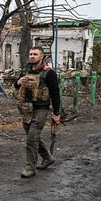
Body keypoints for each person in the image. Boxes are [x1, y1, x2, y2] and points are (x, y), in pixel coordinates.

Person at [14, 46, 61, 178]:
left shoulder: (49, 73)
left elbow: (55, 94)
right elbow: (16, 85)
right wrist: (18, 82)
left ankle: (30, 168)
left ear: (42, 57)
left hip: (41, 108)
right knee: (33, 137)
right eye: (30, 54)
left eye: (35, 54)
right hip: (27, 108)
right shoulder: (26, 69)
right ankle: (47, 158)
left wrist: (56, 113)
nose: (32, 56)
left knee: (31, 138)